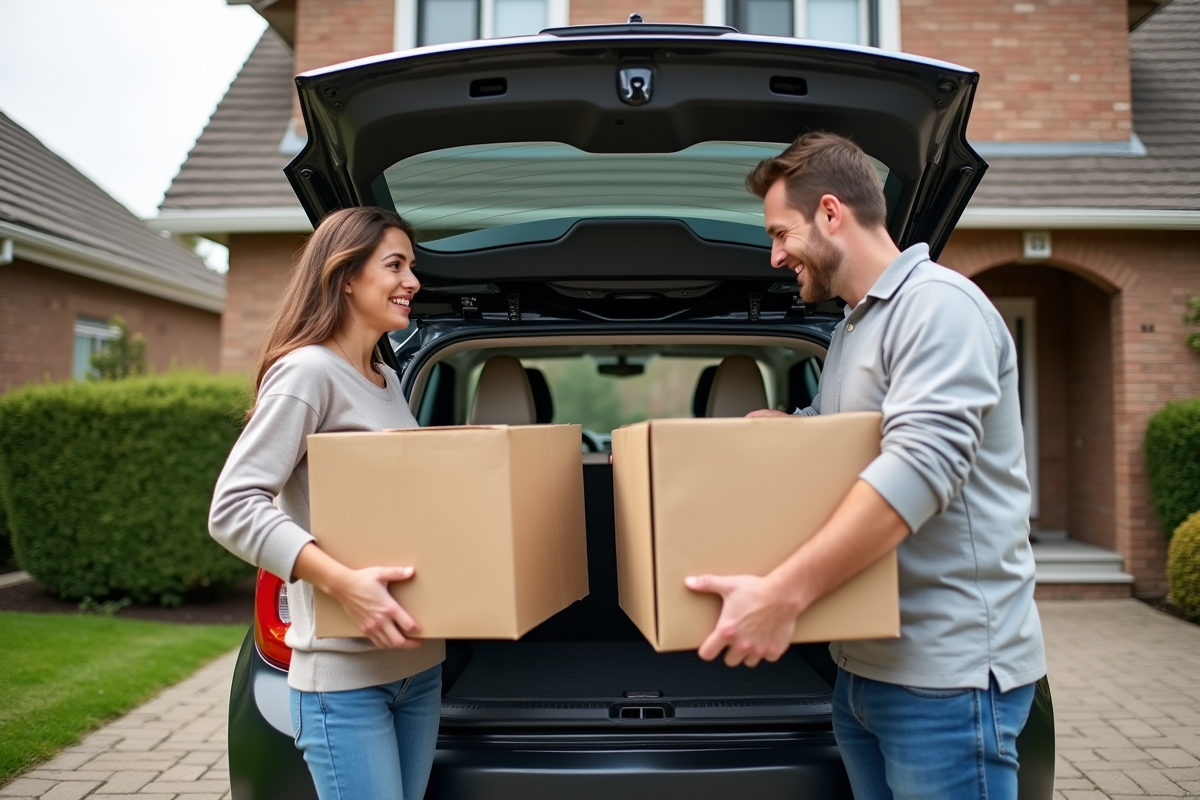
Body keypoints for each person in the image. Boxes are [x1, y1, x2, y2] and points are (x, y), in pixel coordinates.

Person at [685, 132, 1045, 799]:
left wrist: (783, 596)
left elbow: (918, 467)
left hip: (947, 675)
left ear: (830, 213)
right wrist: (789, 430)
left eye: (780, 233)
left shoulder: (938, 308)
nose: (773, 256)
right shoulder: (854, 327)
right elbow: (852, 444)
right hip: (866, 672)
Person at [209, 207, 444, 800]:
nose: (412, 281)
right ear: (345, 275)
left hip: (418, 671)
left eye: (412, 266)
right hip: (344, 682)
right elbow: (234, 507)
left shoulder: (386, 381)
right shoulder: (307, 372)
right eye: (395, 265)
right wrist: (343, 583)